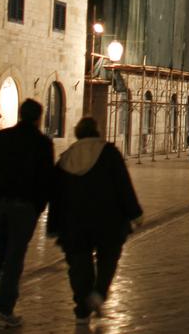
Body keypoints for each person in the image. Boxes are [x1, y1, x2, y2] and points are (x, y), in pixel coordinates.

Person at [47, 117, 142, 325]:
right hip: (107, 219)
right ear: (97, 131)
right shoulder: (109, 153)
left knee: (78, 263)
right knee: (109, 257)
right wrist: (135, 213)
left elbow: (56, 195)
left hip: (74, 221)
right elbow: (123, 185)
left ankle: (82, 308)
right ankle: (98, 293)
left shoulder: (66, 157)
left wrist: (53, 225)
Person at [0, 98, 55, 328]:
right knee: (14, 257)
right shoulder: (42, 143)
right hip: (23, 206)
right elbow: (47, 180)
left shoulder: (2, 137)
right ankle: (4, 309)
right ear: (38, 118)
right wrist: (39, 207)